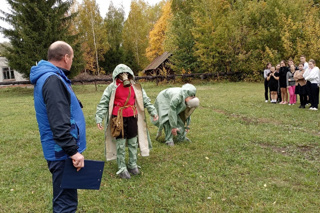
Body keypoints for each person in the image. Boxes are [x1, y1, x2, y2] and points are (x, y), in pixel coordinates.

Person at [30, 41, 86, 212]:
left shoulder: (51, 76)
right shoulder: (52, 80)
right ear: (66, 57)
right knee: (65, 204)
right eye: (72, 57)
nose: (72, 61)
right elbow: (59, 123)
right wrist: (73, 151)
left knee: (65, 199)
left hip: (61, 150)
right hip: (61, 152)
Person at [95, 64, 158, 179]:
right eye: (122, 74)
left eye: (127, 74)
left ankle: (132, 164)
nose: (125, 76)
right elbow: (103, 103)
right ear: (117, 75)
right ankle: (122, 168)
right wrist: (99, 117)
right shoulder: (112, 87)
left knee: (133, 142)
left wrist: (153, 111)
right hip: (117, 118)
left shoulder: (136, 87)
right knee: (120, 144)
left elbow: (145, 100)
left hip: (132, 117)